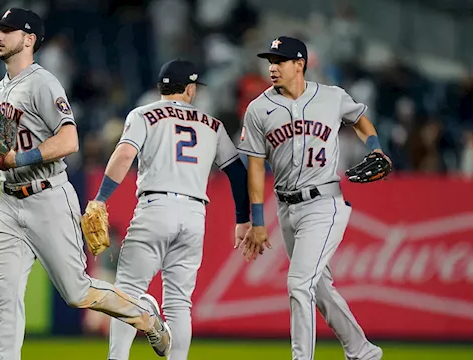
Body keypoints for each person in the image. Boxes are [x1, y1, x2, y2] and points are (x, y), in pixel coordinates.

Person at [0, 8, 170, 360]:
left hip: (47, 198)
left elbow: (70, 140)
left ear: (29, 39)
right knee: (7, 294)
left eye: (8, 30)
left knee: (77, 292)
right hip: (9, 204)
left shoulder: (44, 82)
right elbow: (12, 150)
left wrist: (18, 161)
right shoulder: (2, 87)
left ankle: (144, 315)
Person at [85, 59, 251, 360]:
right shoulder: (212, 124)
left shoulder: (144, 114)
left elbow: (124, 155)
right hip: (194, 214)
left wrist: (100, 197)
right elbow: (238, 173)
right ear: (188, 88)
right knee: (179, 303)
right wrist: (243, 219)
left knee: (126, 292)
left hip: (155, 206)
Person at [237, 36, 386, 360]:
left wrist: (374, 147)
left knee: (298, 284)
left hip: (324, 203)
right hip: (286, 208)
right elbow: (256, 167)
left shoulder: (331, 97)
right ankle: (363, 351)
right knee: (318, 288)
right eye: (270, 61)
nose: (272, 67)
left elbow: (359, 119)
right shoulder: (259, 108)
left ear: (300, 64)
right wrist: (258, 221)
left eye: (280, 61)